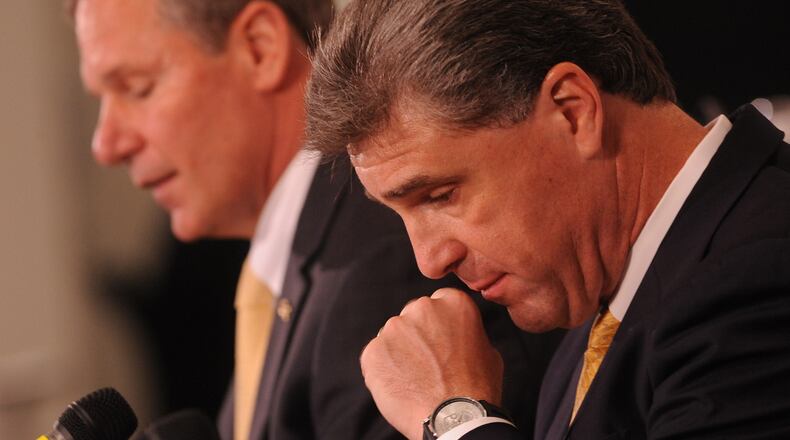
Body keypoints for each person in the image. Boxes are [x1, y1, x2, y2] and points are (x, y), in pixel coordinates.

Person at [68, 0, 561, 439]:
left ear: (260, 47)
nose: (106, 144)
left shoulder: (379, 262)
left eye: (137, 88)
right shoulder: (306, 251)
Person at [304, 0, 790, 439]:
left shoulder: (762, 270)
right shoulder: (597, 299)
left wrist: (456, 417)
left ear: (572, 111)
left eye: (441, 195)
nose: (430, 261)